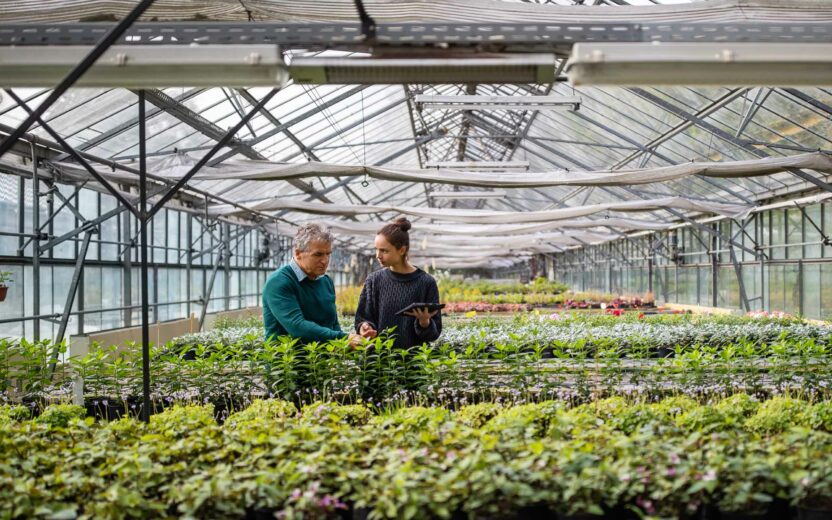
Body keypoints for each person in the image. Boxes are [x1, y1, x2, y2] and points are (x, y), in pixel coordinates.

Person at [263, 223, 361, 346]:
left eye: (328, 254)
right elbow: (297, 326)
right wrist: (344, 338)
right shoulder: (279, 281)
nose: (325, 260)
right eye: (318, 254)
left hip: (321, 361)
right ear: (298, 253)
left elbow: (333, 324)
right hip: (286, 362)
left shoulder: (326, 281)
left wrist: (343, 346)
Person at [354, 218, 442, 349]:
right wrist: (365, 327)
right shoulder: (373, 280)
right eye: (376, 249)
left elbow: (434, 334)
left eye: (384, 251)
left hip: (414, 361)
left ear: (401, 250)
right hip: (379, 360)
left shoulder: (426, 282)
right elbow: (362, 318)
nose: (378, 255)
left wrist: (425, 322)